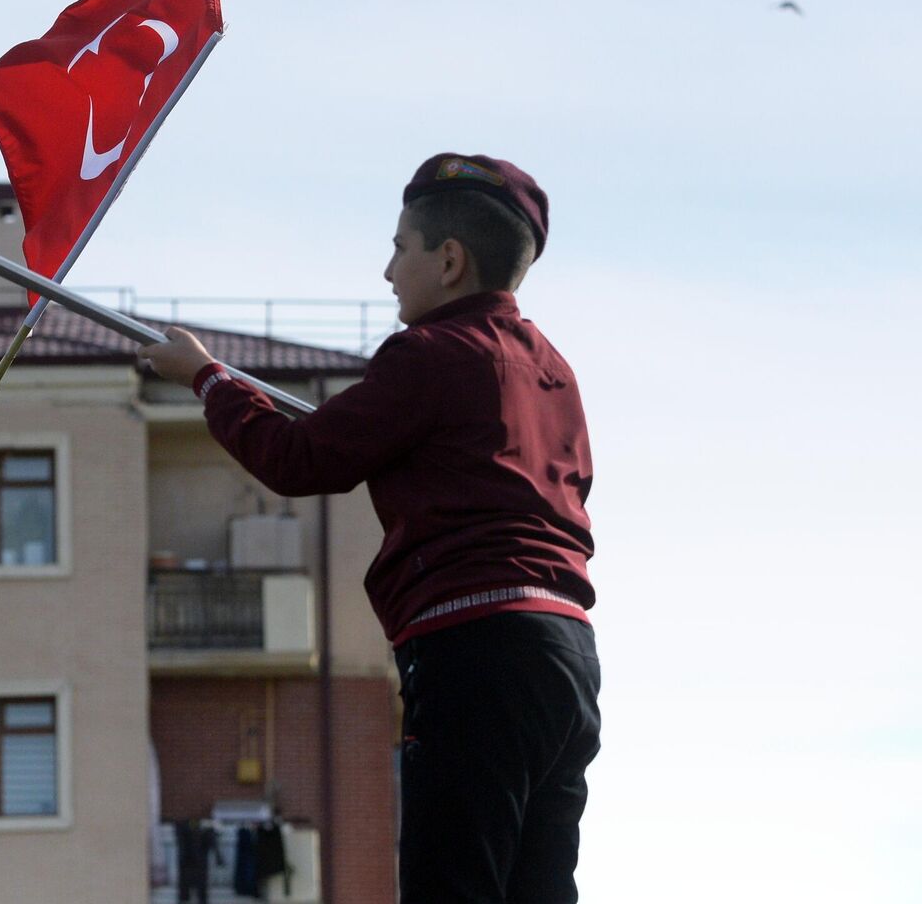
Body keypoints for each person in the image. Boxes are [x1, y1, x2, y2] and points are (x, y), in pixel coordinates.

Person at [139, 154, 602, 903]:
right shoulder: (554, 371)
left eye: (399, 248)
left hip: (472, 652)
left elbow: (298, 458)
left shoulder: (428, 355)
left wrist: (206, 377)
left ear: (448, 260)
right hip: (567, 657)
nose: (389, 272)